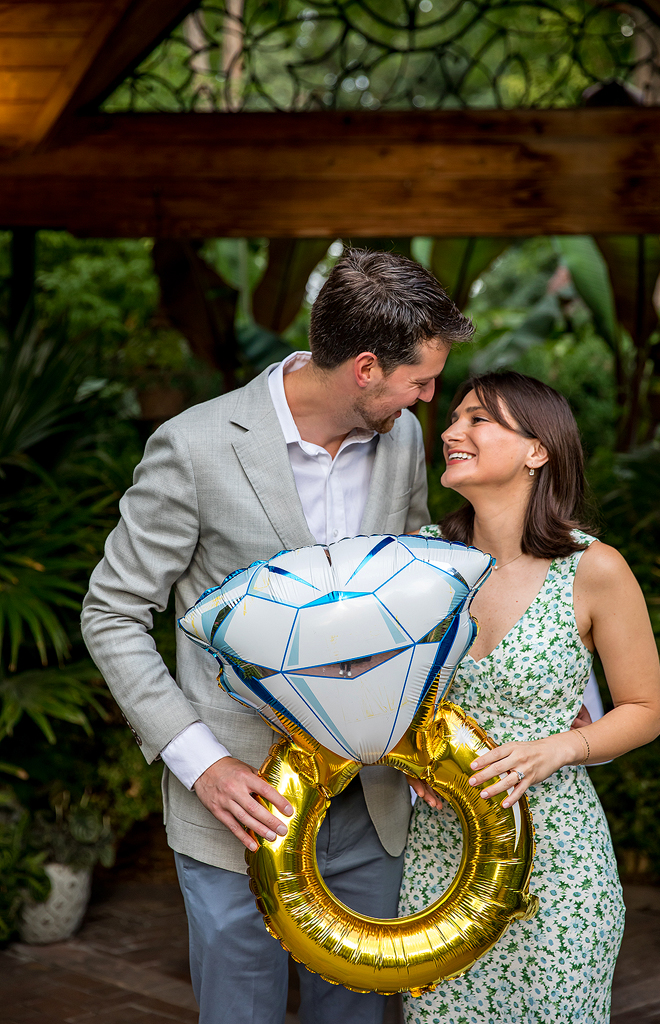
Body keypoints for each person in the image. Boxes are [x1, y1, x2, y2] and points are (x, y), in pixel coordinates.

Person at [81, 248, 473, 1024]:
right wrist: (202, 764)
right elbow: (111, 610)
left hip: (372, 801)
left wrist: (427, 726)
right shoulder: (193, 446)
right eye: (420, 381)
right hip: (239, 804)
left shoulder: (397, 441)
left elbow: (412, 593)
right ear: (364, 368)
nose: (430, 399)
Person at [399, 371, 660, 1024]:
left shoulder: (593, 568)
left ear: (536, 449)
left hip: (558, 868)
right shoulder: (417, 561)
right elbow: (374, 697)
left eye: (477, 419)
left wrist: (559, 748)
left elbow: (644, 709)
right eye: (453, 418)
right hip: (440, 860)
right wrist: (408, 753)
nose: (452, 432)